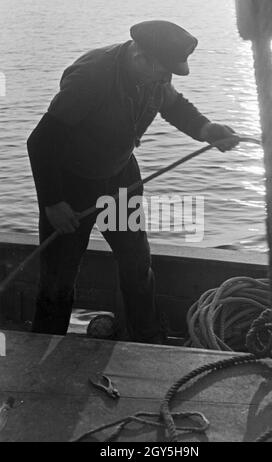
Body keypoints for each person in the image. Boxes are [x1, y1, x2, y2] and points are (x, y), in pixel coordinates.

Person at [27, 20, 239, 343]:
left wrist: (207, 130)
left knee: (136, 263)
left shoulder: (153, 75)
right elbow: (40, 141)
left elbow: (173, 106)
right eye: (163, 72)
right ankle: (41, 348)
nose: (166, 80)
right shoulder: (91, 77)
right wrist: (53, 202)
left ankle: (147, 338)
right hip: (70, 184)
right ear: (140, 56)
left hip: (120, 179)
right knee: (59, 279)